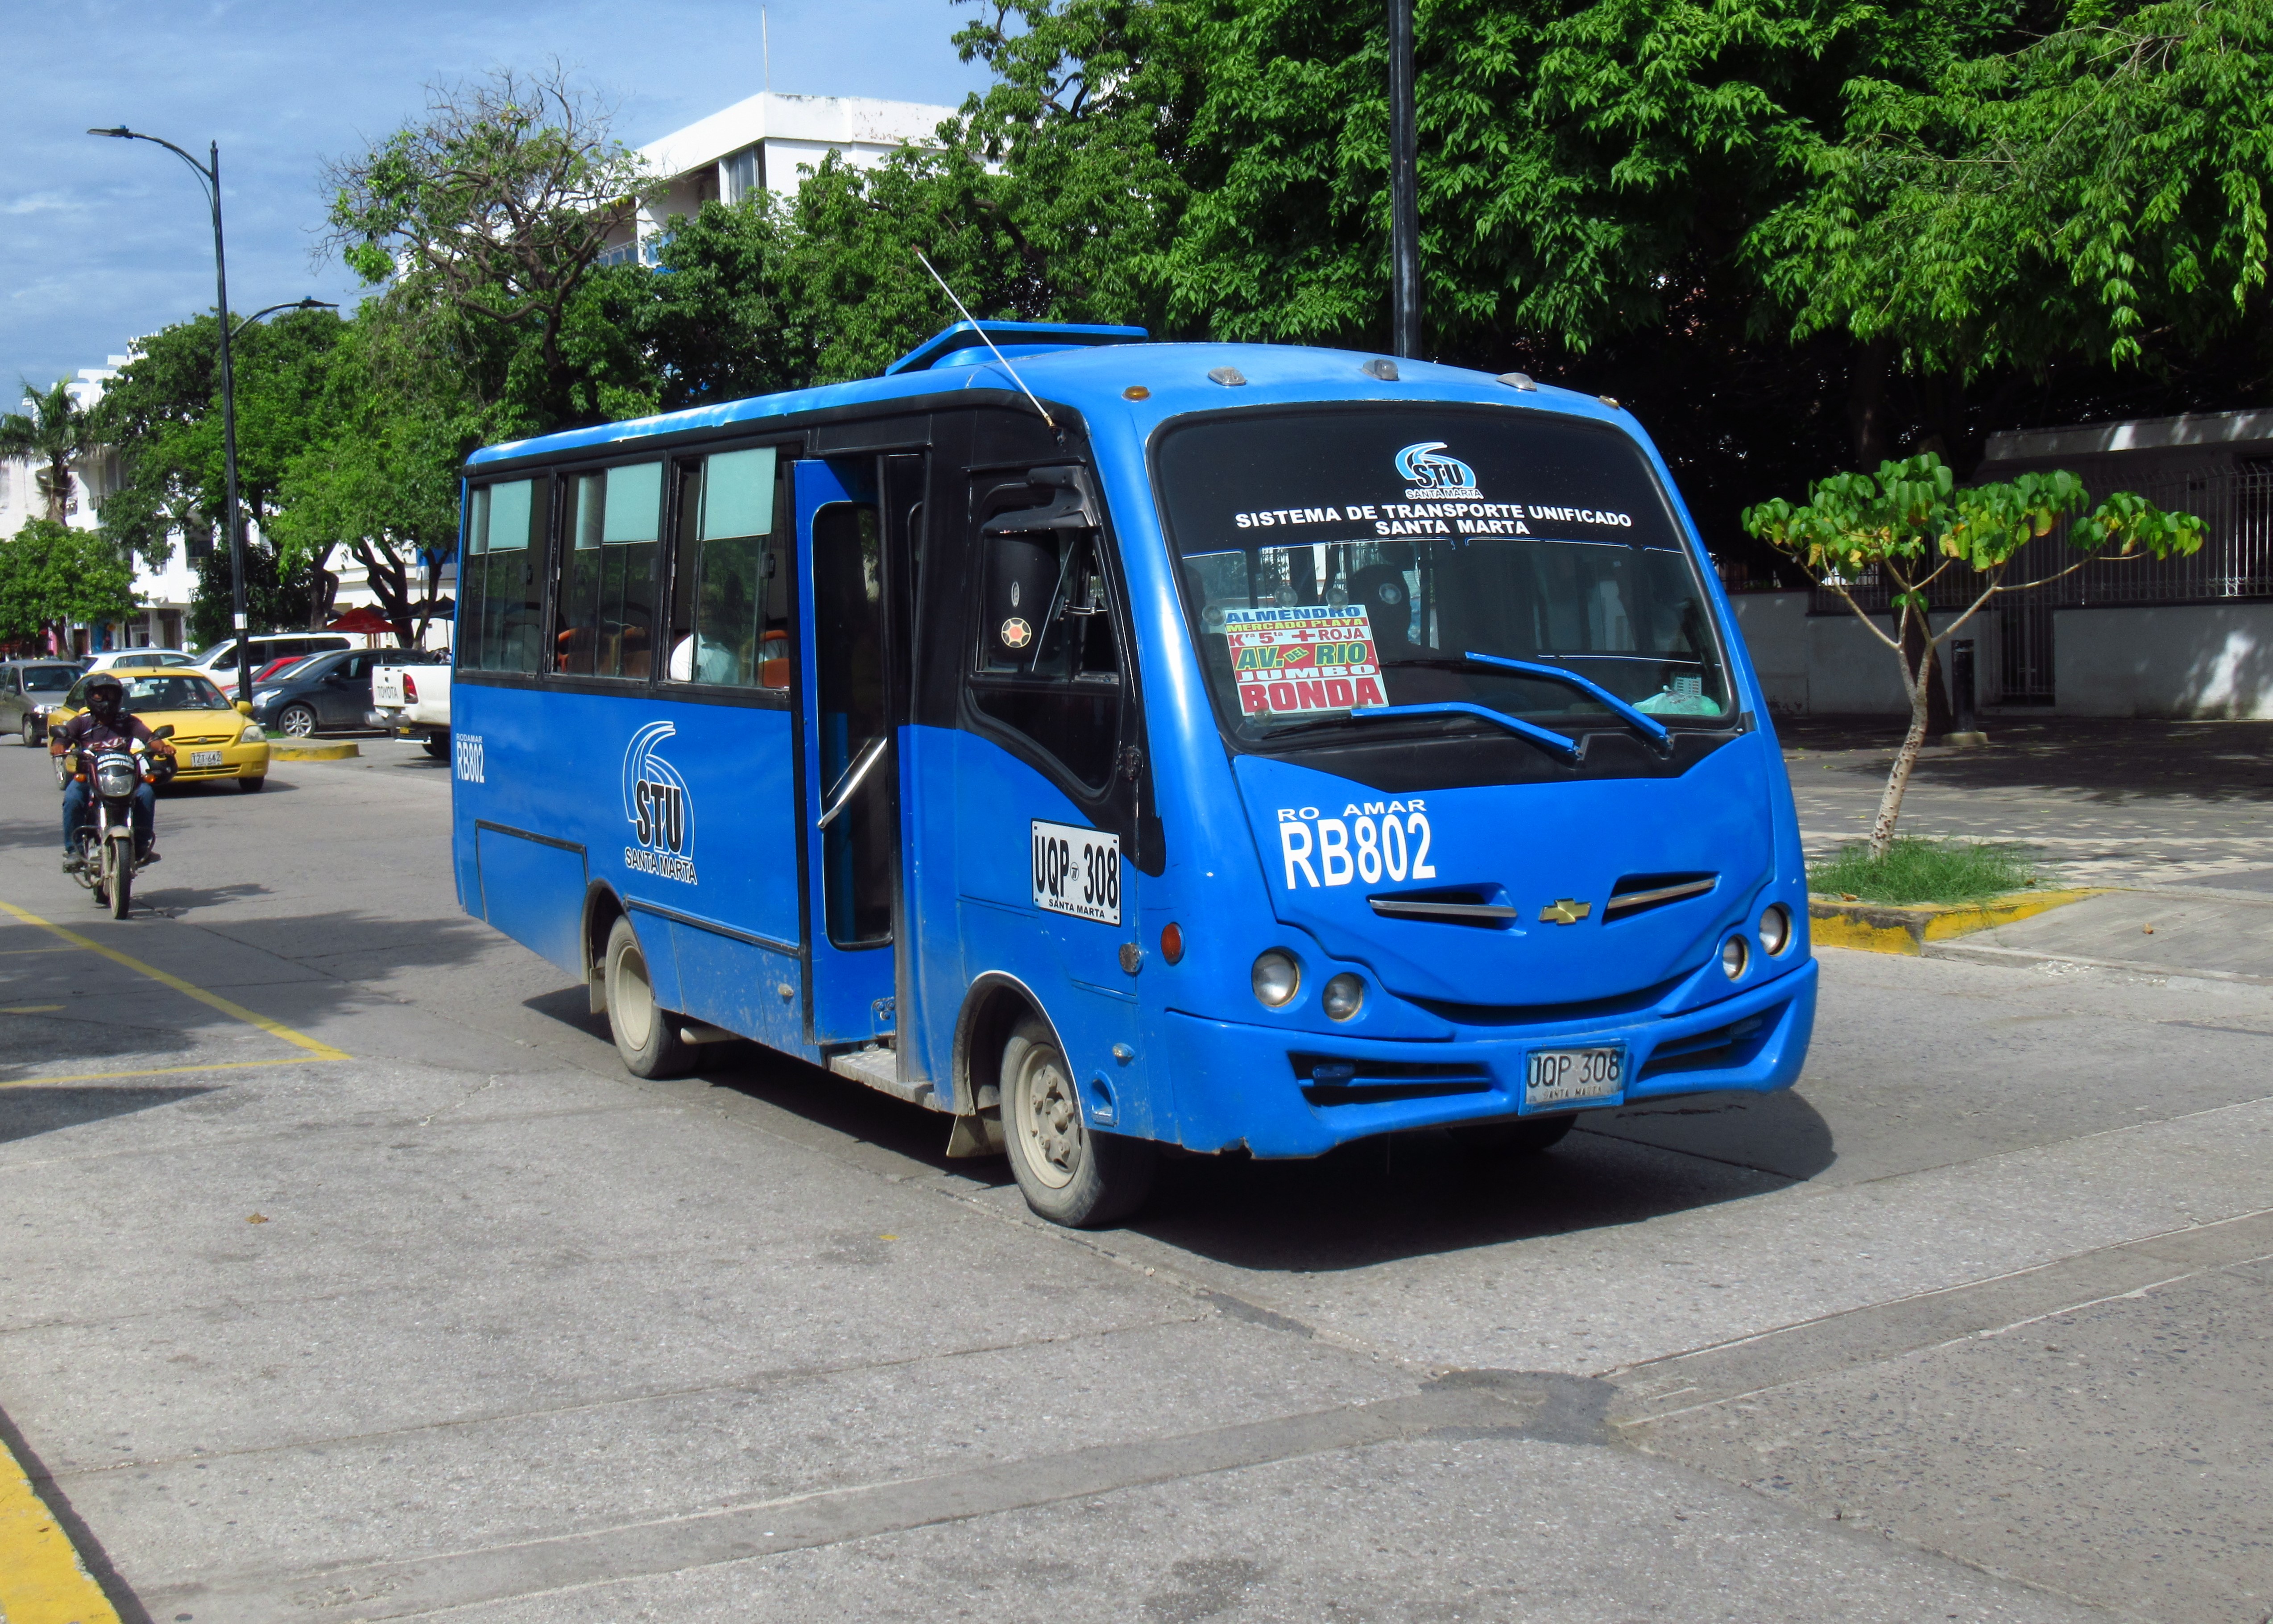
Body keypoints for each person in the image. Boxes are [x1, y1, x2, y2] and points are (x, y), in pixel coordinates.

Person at [51, 672, 174, 870]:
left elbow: (149, 737)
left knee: (146, 794)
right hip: (89, 779)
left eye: (111, 694)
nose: (106, 700)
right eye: (100, 695)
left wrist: (162, 746)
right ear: (91, 697)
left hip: (123, 776)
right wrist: (59, 745)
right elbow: (63, 737)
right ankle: (74, 851)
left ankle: (142, 845)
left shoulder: (127, 721)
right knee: (73, 799)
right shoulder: (81, 722)